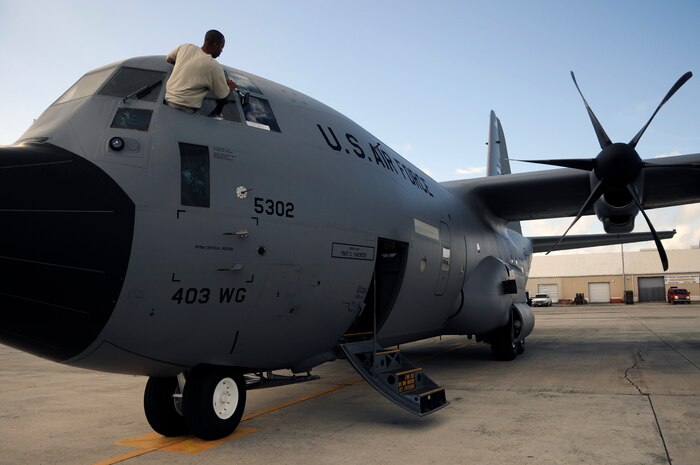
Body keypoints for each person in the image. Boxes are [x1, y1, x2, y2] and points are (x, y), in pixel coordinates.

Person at [164, 30, 237, 113]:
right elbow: (223, 95)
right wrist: (230, 87)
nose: (221, 51)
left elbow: (169, 59)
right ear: (215, 44)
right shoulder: (214, 66)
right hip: (184, 109)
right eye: (221, 47)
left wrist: (182, 65)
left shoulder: (186, 47)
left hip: (167, 100)